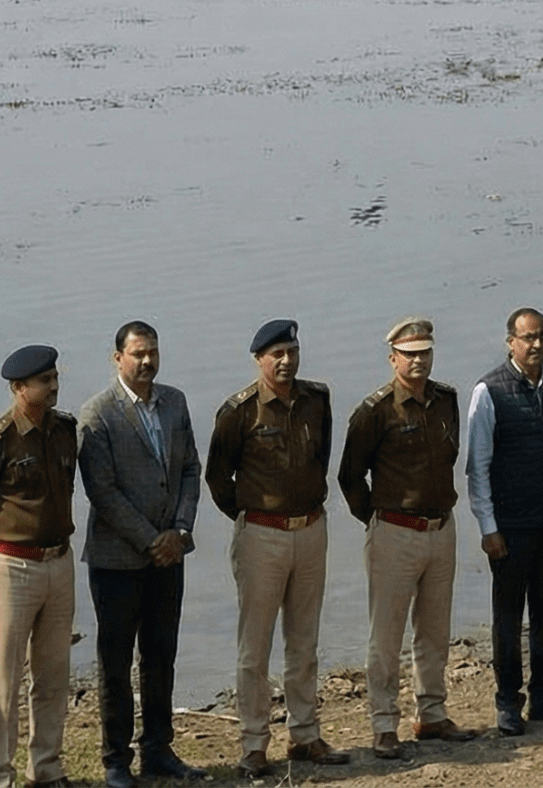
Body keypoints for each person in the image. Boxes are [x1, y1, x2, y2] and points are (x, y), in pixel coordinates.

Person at [204, 320, 346, 776]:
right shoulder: (239, 411)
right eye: (277, 354)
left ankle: (305, 735)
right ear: (259, 360)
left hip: (311, 530)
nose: (286, 361)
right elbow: (217, 478)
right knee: (255, 648)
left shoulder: (316, 400)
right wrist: (253, 517)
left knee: (305, 642)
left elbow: (322, 458)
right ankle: (254, 744)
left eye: (292, 352)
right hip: (261, 536)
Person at [339, 317, 479, 757]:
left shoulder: (446, 400)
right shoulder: (375, 411)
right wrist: (376, 521)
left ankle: (432, 714)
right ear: (392, 358)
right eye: (410, 354)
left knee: (435, 630)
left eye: (425, 353)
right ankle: (384, 725)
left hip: (441, 528)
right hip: (395, 532)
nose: (418, 361)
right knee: (386, 636)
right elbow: (349, 476)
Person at [77, 323, 206, 785]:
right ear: (118, 359)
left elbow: (190, 468)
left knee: (160, 655)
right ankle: (116, 761)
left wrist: (181, 531)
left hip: (170, 557)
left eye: (152, 352)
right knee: (115, 664)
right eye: (137, 354)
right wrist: (152, 539)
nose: (147, 361)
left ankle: (158, 750)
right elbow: (103, 492)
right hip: (117, 561)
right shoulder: (97, 415)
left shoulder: (175, 402)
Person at [0, 345, 78, 788]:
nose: (54, 386)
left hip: (59, 563)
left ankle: (46, 768)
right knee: (3, 682)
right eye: (44, 381)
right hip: (12, 567)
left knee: (53, 675)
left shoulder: (65, 431)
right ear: (18, 387)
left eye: (55, 377)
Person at [465, 307, 543, 736]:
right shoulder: (489, 391)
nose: (536, 345)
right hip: (511, 525)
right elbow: (478, 467)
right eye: (527, 338)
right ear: (511, 343)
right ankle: (507, 701)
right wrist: (488, 527)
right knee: (507, 617)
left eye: (542, 337)